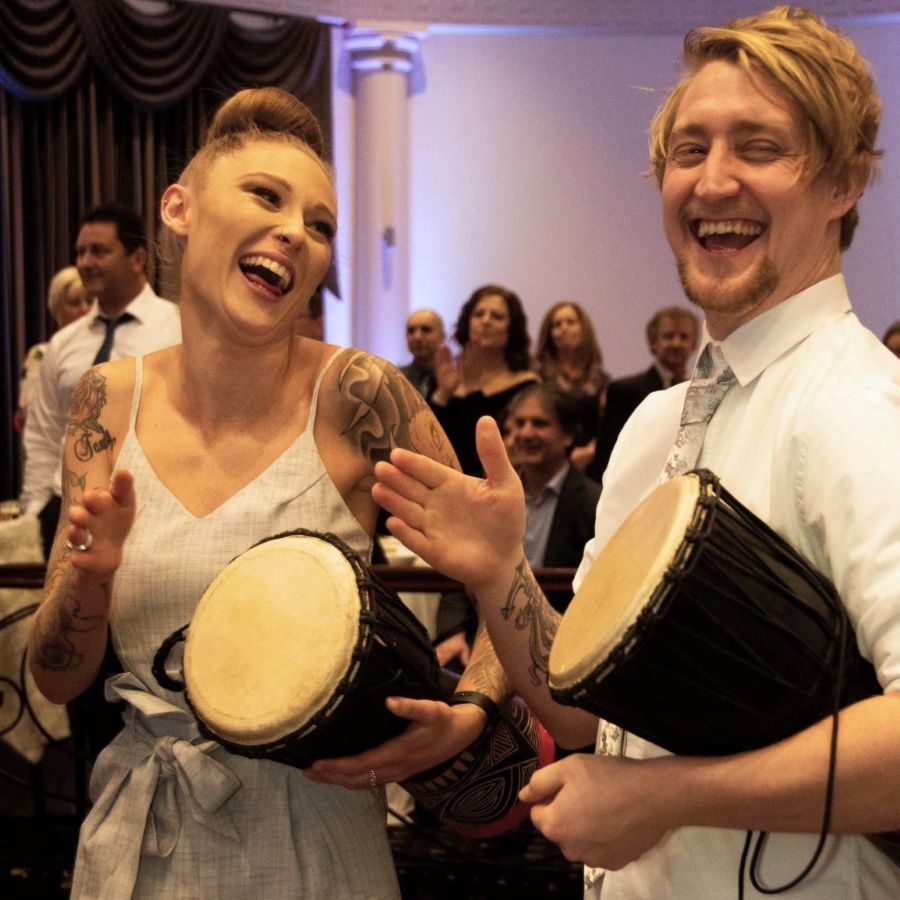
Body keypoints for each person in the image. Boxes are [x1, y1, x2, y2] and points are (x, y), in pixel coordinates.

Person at [342, 7, 900, 898]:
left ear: (845, 181)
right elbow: (587, 711)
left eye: (760, 147)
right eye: (689, 150)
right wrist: (500, 576)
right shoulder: (653, 424)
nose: (713, 180)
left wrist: (662, 797)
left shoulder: (859, 407)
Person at [27, 87, 506, 899]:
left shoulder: (359, 394)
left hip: (314, 837)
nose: (295, 232)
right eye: (265, 196)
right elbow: (55, 678)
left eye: (319, 225)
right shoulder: (105, 400)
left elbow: (501, 578)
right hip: (142, 841)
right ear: (179, 208)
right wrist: (90, 579)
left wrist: (472, 711)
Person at [20, 203, 182, 557]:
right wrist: (36, 512)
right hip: (66, 510)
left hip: (152, 511)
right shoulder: (63, 343)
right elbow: (44, 433)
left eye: (99, 251)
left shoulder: (179, 329)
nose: (85, 262)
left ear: (137, 259)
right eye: (80, 252)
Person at [435, 384, 601, 667]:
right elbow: (459, 570)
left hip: (560, 646)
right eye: (519, 424)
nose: (525, 434)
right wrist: (454, 632)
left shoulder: (593, 503)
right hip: (483, 640)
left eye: (540, 423)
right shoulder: (488, 495)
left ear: (569, 436)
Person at [429, 284, 538, 475]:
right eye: (478, 314)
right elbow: (427, 437)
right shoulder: (447, 376)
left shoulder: (527, 386)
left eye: (497, 316)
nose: (486, 321)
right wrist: (442, 394)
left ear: (511, 329)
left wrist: (472, 389)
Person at [589, 305, 698, 483]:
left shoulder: (700, 392)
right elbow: (607, 456)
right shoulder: (625, 391)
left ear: (694, 344)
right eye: (668, 336)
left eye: (684, 337)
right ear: (652, 344)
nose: (676, 343)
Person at [533, 301, 610, 473]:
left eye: (570, 322)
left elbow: (607, 426)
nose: (564, 328)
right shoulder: (537, 377)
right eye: (557, 324)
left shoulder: (601, 380)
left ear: (584, 329)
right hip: (545, 461)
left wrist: (590, 450)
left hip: (590, 464)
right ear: (549, 334)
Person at [15, 266, 92, 432]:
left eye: (89, 301)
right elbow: (28, 414)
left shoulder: (110, 349)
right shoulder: (40, 355)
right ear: (57, 309)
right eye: (75, 302)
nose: (85, 309)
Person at [400, 308, 445, 397]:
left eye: (426, 330)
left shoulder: (456, 380)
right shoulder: (397, 378)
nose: (417, 337)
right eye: (411, 331)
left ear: (442, 336)